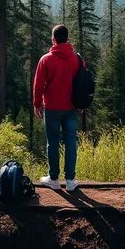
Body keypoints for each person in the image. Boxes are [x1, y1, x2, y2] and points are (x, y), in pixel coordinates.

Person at [33, 24, 83, 192]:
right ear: (67, 39)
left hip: (52, 108)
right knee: (70, 142)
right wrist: (81, 103)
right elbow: (82, 83)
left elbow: (38, 85)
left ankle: (53, 179)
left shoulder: (46, 59)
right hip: (71, 108)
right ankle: (70, 180)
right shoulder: (77, 59)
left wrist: (36, 104)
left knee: (52, 143)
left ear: (53, 40)